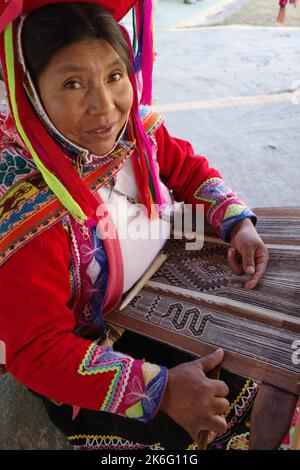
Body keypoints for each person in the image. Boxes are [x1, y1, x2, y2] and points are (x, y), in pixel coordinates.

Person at [0, 0, 294, 451]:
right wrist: (158, 390)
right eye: (73, 83)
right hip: (86, 347)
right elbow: (37, 350)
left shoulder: (137, 133)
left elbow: (190, 171)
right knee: (201, 424)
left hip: (157, 290)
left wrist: (236, 223)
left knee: (272, 366)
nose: (104, 107)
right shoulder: (28, 211)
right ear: (32, 92)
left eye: (115, 76)